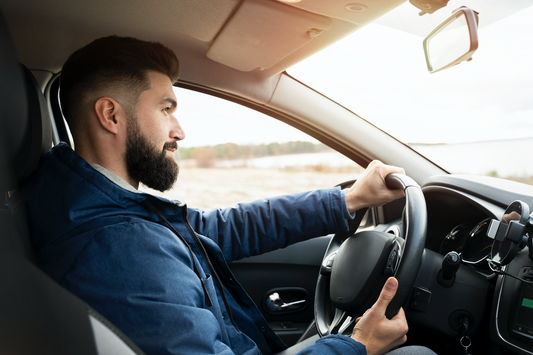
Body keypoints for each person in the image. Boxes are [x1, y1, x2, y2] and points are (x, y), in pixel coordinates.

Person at [14, 36, 435, 355]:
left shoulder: (96, 202)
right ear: (111, 115)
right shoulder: (117, 248)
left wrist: (344, 201)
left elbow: (217, 228)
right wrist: (357, 344)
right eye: (166, 108)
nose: (179, 130)